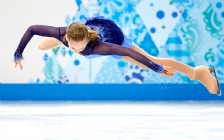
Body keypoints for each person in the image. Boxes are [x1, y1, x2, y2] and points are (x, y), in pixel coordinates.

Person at [13, 16, 221, 96]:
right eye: (71, 46)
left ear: (87, 41)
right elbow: (31, 28)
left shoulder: (101, 47)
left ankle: (198, 72)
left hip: (117, 39)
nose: (76, 51)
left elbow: (129, 52)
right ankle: (55, 44)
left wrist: (155, 68)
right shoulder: (64, 33)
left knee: (151, 60)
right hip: (76, 35)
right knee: (43, 44)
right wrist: (18, 53)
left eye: (80, 47)